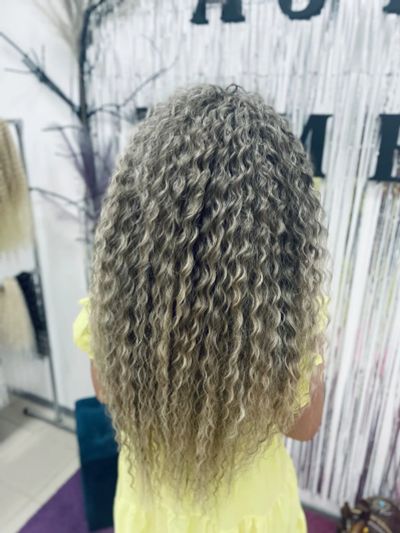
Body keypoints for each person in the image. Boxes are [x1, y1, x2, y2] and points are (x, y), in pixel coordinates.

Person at [73, 83, 330, 532]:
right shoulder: (285, 318)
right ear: (280, 222)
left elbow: (107, 393)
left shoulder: (115, 304)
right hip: (247, 514)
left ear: (137, 210)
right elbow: (303, 427)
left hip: (152, 507)